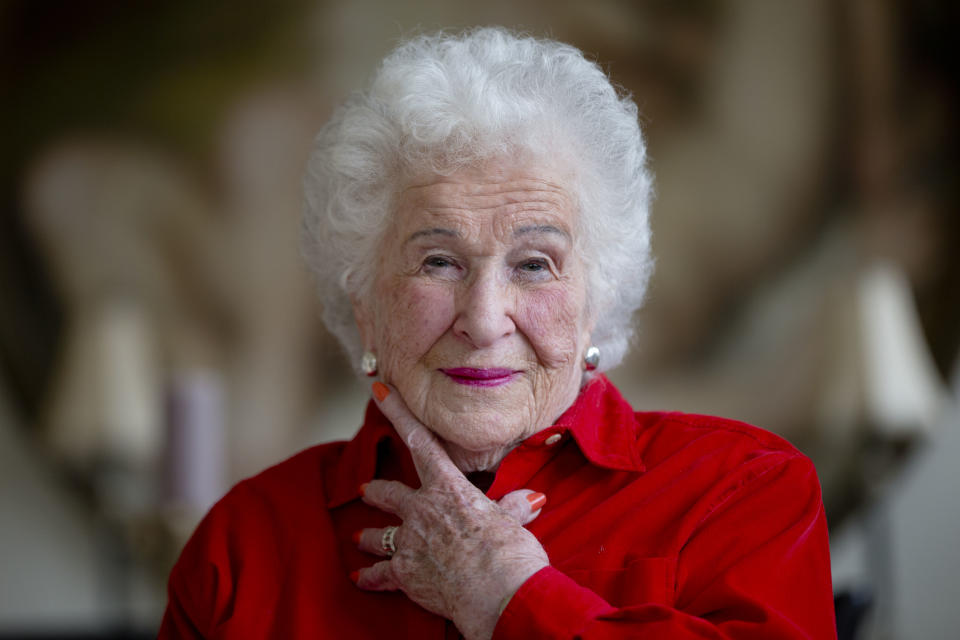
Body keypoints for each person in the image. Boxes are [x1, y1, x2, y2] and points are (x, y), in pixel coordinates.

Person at [159, 27, 836, 639]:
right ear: (365, 303)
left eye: (534, 264)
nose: (483, 319)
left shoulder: (745, 495)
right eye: (438, 262)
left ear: (597, 300)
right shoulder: (244, 544)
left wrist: (512, 600)